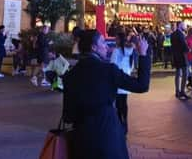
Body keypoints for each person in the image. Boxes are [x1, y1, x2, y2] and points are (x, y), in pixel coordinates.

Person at [63, 29, 151, 159]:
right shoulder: (108, 70)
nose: (106, 47)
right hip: (108, 135)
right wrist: (143, 54)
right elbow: (142, 85)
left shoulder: (70, 76)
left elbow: (68, 116)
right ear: (93, 47)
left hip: (82, 140)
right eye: (103, 43)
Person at [110, 30, 135, 133]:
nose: (115, 40)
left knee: (118, 104)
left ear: (119, 39)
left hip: (117, 79)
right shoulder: (130, 50)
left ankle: (120, 125)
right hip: (126, 79)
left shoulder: (116, 51)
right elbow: (132, 65)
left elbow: (112, 64)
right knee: (123, 104)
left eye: (116, 38)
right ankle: (124, 124)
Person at [171, 21, 189, 99]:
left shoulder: (173, 34)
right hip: (182, 56)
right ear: (180, 25)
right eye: (183, 25)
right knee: (185, 73)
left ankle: (177, 91)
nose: (185, 26)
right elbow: (184, 45)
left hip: (175, 56)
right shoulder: (181, 35)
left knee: (177, 73)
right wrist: (188, 50)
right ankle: (182, 91)